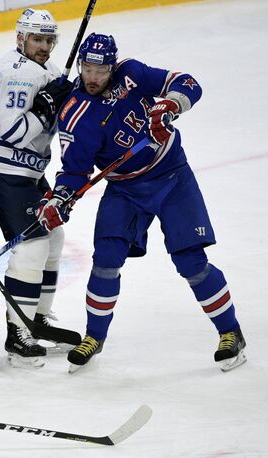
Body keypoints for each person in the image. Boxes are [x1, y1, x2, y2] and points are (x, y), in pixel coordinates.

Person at [39, 33, 247, 372]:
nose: (93, 77)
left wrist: (170, 105)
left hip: (171, 177)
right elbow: (75, 170)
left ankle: (230, 332)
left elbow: (187, 83)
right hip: (125, 190)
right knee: (105, 260)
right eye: (87, 69)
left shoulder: (132, 73)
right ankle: (95, 337)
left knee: (190, 260)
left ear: (112, 67)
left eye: (101, 70)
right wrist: (61, 196)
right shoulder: (75, 114)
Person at [0, 9, 74, 368]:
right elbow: (13, 133)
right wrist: (47, 109)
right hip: (5, 170)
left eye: (49, 40)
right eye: (37, 39)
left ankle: (37, 317)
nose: (44, 46)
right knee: (33, 246)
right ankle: (19, 334)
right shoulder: (16, 71)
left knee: (55, 237)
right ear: (21, 39)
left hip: (28, 172)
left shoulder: (45, 71)